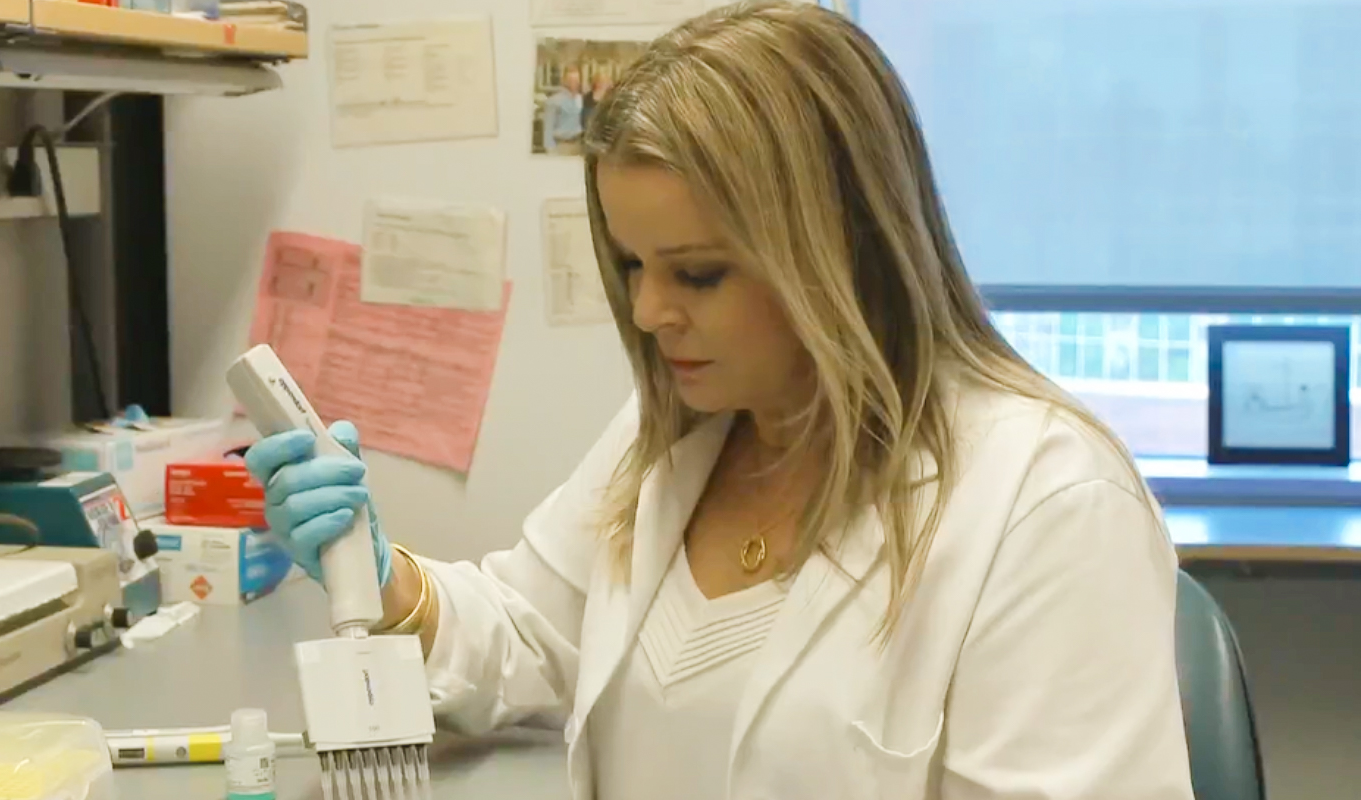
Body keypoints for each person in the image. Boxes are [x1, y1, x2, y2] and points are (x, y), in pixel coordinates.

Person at [246, 4, 1193, 800]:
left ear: (840, 248)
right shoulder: (683, 433)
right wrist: (379, 575)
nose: (649, 313)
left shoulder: (1047, 505)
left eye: (698, 274)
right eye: (632, 265)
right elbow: (529, 631)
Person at [543, 65, 585, 155]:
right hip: (561, 146)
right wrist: (551, 151)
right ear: (564, 80)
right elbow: (548, 130)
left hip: (578, 145)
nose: (574, 83)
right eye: (571, 80)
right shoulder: (553, 101)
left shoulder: (580, 99)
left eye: (576, 80)